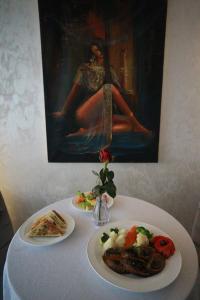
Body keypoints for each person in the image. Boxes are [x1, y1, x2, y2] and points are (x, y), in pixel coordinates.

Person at [53, 41, 150, 141]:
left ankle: (84, 133)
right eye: (97, 50)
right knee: (109, 87)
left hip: (101, 114)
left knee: (129, 125)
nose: (100, 52)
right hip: (85, 112)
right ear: (92, 54)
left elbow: (119, 90)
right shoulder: (84, 68)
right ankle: (138, 126)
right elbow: (74, 90)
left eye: (101, 49)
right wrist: (63, 111)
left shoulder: (109, 69)